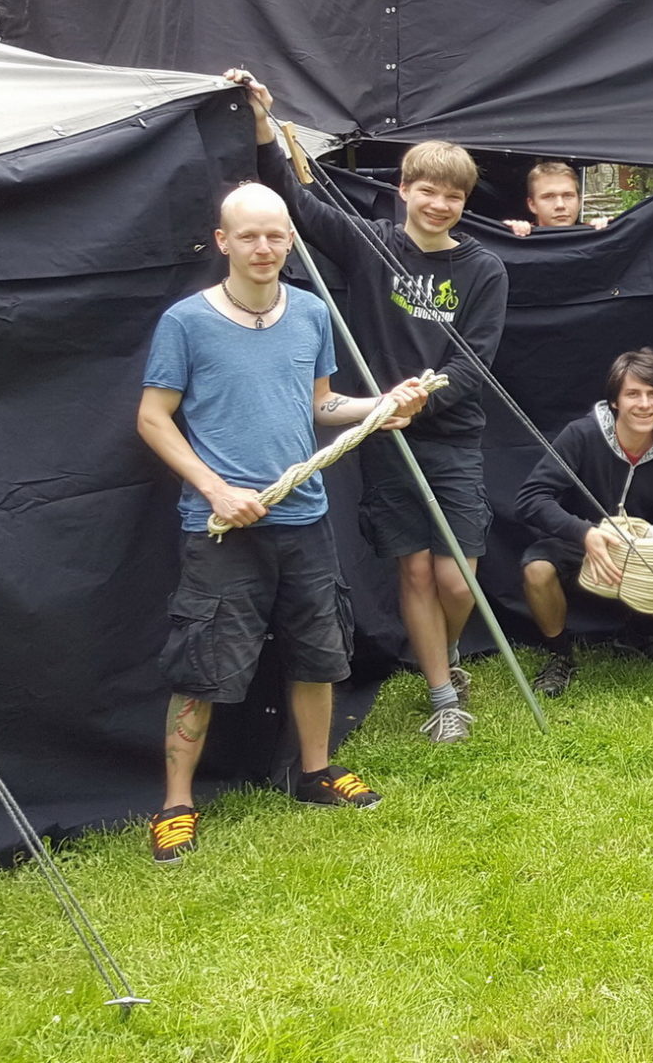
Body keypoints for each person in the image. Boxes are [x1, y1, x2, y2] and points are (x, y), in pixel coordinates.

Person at [136, 182, 430, 862]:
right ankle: (177, 803)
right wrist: (215, 488)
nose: (263, 248)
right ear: (223, 243)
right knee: (201, 664)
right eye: (249, 236)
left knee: (319, 652)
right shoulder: (187, 322)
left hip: (305, 520)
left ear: (290, 241)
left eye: (275, 235)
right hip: (221, 529)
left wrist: (381, 407)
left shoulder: (309, 314)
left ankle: (316, 772)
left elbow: (319, 407)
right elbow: (153, 418)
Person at [242, 72, 508, 745]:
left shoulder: (484, 270)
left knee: (455, 581)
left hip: (450, 436)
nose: (439, 204)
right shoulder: (371, 245)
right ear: (404, 192)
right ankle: (444, 693)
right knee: (413, 569)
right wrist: (264, 125)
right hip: (384, 436)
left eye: (452, 195)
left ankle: (442, 657)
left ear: (463, 201)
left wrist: (425, 395)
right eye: (427, 191)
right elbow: (296, 203)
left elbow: (473, 361)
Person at [514, 348, 653, 696]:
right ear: (615, 400)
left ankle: (642, 629)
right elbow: (530, 499)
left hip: (645, 556)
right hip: (583, 547)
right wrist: (585, 532)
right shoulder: (581, 435)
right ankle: (559, 657)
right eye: (633, 393)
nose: (644, 404)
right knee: (536, 569)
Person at [504, 160, 611, 237]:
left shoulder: (595, 236)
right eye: (549, 197)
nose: (560, 205)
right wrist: (509, 235)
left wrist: (608, 231)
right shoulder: (518, 237)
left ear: (579, 201)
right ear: (532, 205)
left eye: (568, 196)